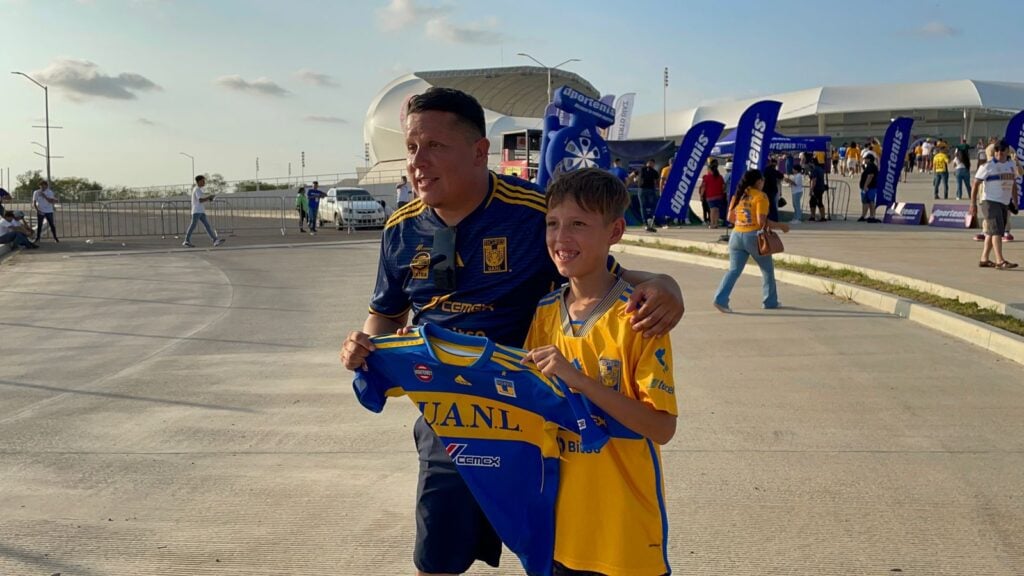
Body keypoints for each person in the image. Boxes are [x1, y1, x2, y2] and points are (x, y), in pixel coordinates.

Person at [338, 87, 684, 576]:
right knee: (436, 558)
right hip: (450, 420)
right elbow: (387, 313)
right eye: (412, 147)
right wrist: (364, 341)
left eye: (436, 146)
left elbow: (596, 268)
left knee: (551, 551)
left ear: (480, 151)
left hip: (537, 424)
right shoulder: (400, 229)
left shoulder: (531, 215)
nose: (418, 161)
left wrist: (666, 284)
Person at [523, 168, 677, 576]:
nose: (561, 238)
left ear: (615, 231)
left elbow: (661, 428)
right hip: (561, 532)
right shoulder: (543, 314)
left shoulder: (640, 317)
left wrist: (579, 381)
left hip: (623, 535)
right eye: (553, 224)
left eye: (578, 224)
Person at [712, 169, 790, 312]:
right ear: (759, 181)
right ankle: (770, 301)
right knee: (767, 270)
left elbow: (730, 218)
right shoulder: (761, 197)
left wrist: (742, 221)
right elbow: (761, 221)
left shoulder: (738, 196)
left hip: (736, 235)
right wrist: (781, 226)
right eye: (763, 181)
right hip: (753, 236)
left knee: (734, 270)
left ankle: (720, 299)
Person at [970, 141, 1018, 269]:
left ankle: (984, 259)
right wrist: (973, 204)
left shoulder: (1011, 165)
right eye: (996, 150)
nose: (999, 153)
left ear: (1007, 151)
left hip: (1004, 202)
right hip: (990, 201)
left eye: (1002, 150)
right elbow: (975, 184)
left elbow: (1013, 183)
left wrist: (1015, 201)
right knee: (997, 231)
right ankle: (1000, 260)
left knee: (991, 232)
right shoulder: (987, 166)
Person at [182, 175, 224, 248]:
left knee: (207, 226)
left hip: (200, 211)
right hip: (197, 211)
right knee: (193, 225)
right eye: (203, 181)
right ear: (199, 181)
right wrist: (209, 197)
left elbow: (202, 200)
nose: (204, 182)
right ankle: (186, 240)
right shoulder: (197, 189)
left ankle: (215, 240)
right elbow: (200, 200)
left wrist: (209, 198)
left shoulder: (199, 190)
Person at [699, 158, 726, 228]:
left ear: (710, 170)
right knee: (716, 210)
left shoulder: (707, 177)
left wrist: (701, 195)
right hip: (719, 196)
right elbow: (723, 187)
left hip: (710, 196)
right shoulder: (720, 177)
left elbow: (703, 187)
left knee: (712, 210)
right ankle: (716, 223)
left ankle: (712, 224)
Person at [637, 159, 660, 232]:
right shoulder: (653, 171)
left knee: (643, 206)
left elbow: (633, 175)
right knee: (651, 205)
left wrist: (633, 181)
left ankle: (646, 222)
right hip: (648, 189)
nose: (651, 165)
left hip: (643, 189)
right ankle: (650, 221)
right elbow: (658, 180)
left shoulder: (642, 169)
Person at [858, 154, 881, 222]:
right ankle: (864, 215)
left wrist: (865, 186)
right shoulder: (869, 166)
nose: (864, 160)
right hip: (868, 187)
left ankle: (872, 216)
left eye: (866, 159)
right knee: (865, 201)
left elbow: (870, 176)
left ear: (869, 159)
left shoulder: (871, 166)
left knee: (871, 201)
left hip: (870, 187)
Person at [806, 158, 828, 222]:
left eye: (809, 163)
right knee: (813, 202)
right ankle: (815, 216)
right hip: (821, 187)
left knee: (818, 202)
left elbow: (814, 180)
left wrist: (811, 190)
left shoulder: (814, 170)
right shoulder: (821, 169)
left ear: (812, 163)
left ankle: (821, 217)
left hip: (816, 188)